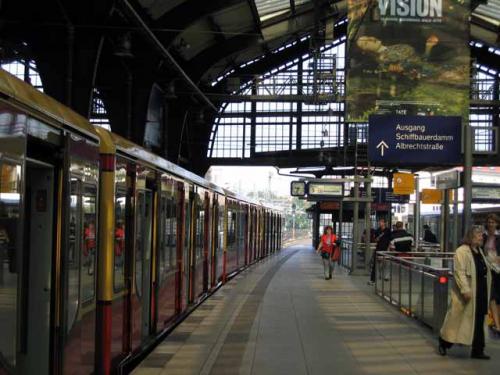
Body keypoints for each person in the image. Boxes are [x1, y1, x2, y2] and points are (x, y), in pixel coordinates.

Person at [439, 226, 492, 359]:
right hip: (467, 293)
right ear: (471, 236)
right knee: (456, 320)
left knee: (479, 321)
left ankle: (478, 350)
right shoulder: (461, 251)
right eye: (479, 235)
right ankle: (444, 342)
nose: (481, 237)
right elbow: (459, 272)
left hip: (480, 291)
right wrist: (465, 289)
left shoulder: (479, 251)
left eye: (481, 235)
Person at [483, 214, 500, 334]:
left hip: (499, 269)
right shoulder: (483, 237)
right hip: (489, 270)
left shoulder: (499, 237)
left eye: (493, 222)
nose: (491, 224)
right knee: (492, 297)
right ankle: (497, 324)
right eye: (489, 222)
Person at [368, 218, 391, 285]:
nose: (380, 223)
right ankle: (373, 279)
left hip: (385, 249)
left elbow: (390, 240)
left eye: (381, 222)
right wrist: (377, 239)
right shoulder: (377, 230)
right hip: (378, 248)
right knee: (375, 264)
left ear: (384, 223)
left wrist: (388, 248)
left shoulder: (388, 230)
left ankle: (386, 276)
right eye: (379, 222)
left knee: (386, 263)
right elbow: (375, 239)